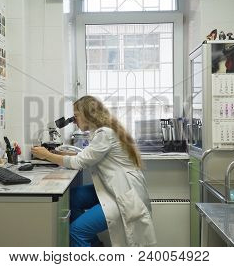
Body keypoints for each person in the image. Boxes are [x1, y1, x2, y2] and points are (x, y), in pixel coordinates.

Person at [31, 96, 156, 247]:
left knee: (75, 231)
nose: (74, 120)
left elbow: (80, 162)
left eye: (76, 115)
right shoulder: (102, 132)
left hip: (122, 195)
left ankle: (83, 238)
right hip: (112, 188)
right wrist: (57, 154)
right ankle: (95, 246)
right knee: (74, 198)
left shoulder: (104, 133)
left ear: (88, 114)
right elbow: (86, 156)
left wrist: (47, 155)